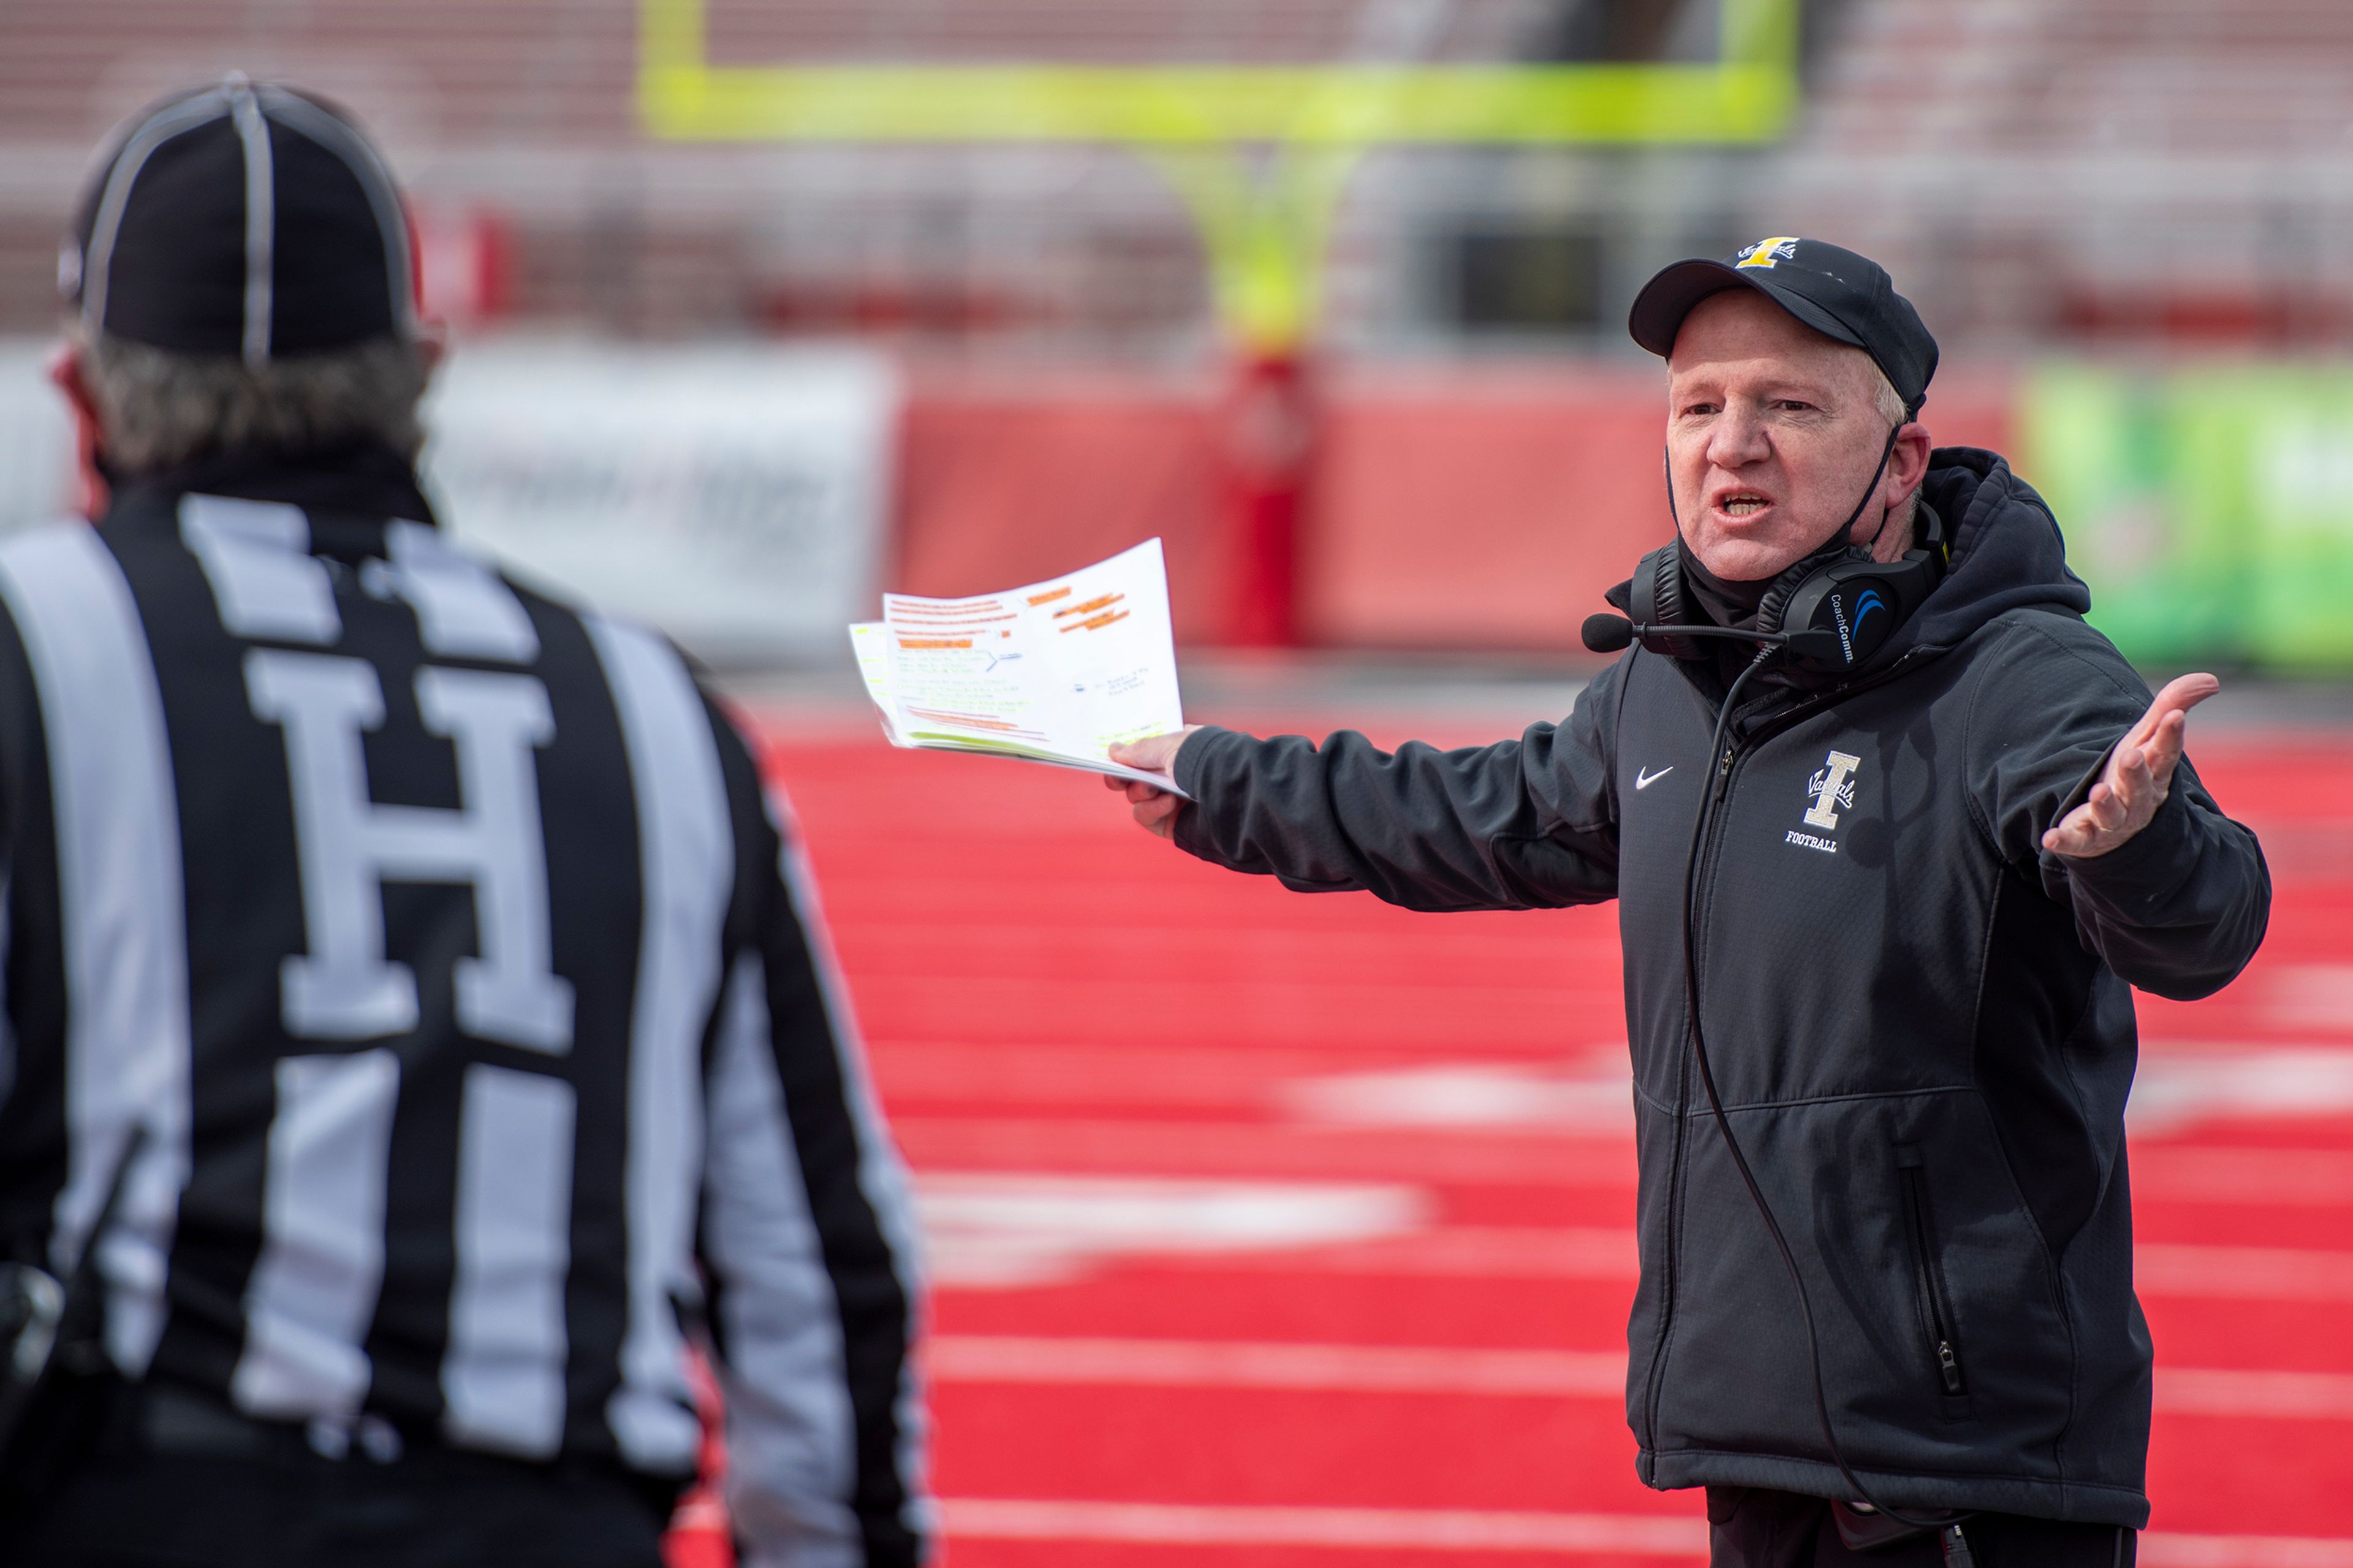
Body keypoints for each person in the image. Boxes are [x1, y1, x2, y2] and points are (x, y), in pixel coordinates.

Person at [1107, 238, 2269, 1567]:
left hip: (1968, 1469)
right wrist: (1207, 780)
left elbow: (2210, 924)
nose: (1734, 446)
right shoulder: (1674, 684)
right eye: (1700, 404)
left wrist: (2135, 846)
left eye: (1791, 405)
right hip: (1750, 1432)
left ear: (1900, 460)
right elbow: (1465, 813)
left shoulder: (2024, 677)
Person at [0, 78, 929, 1567]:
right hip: (547, 1515)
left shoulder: (36, 645)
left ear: (82, 392)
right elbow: (818, 1265)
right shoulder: (651, 703)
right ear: (423, 368)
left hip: (150, 1492)